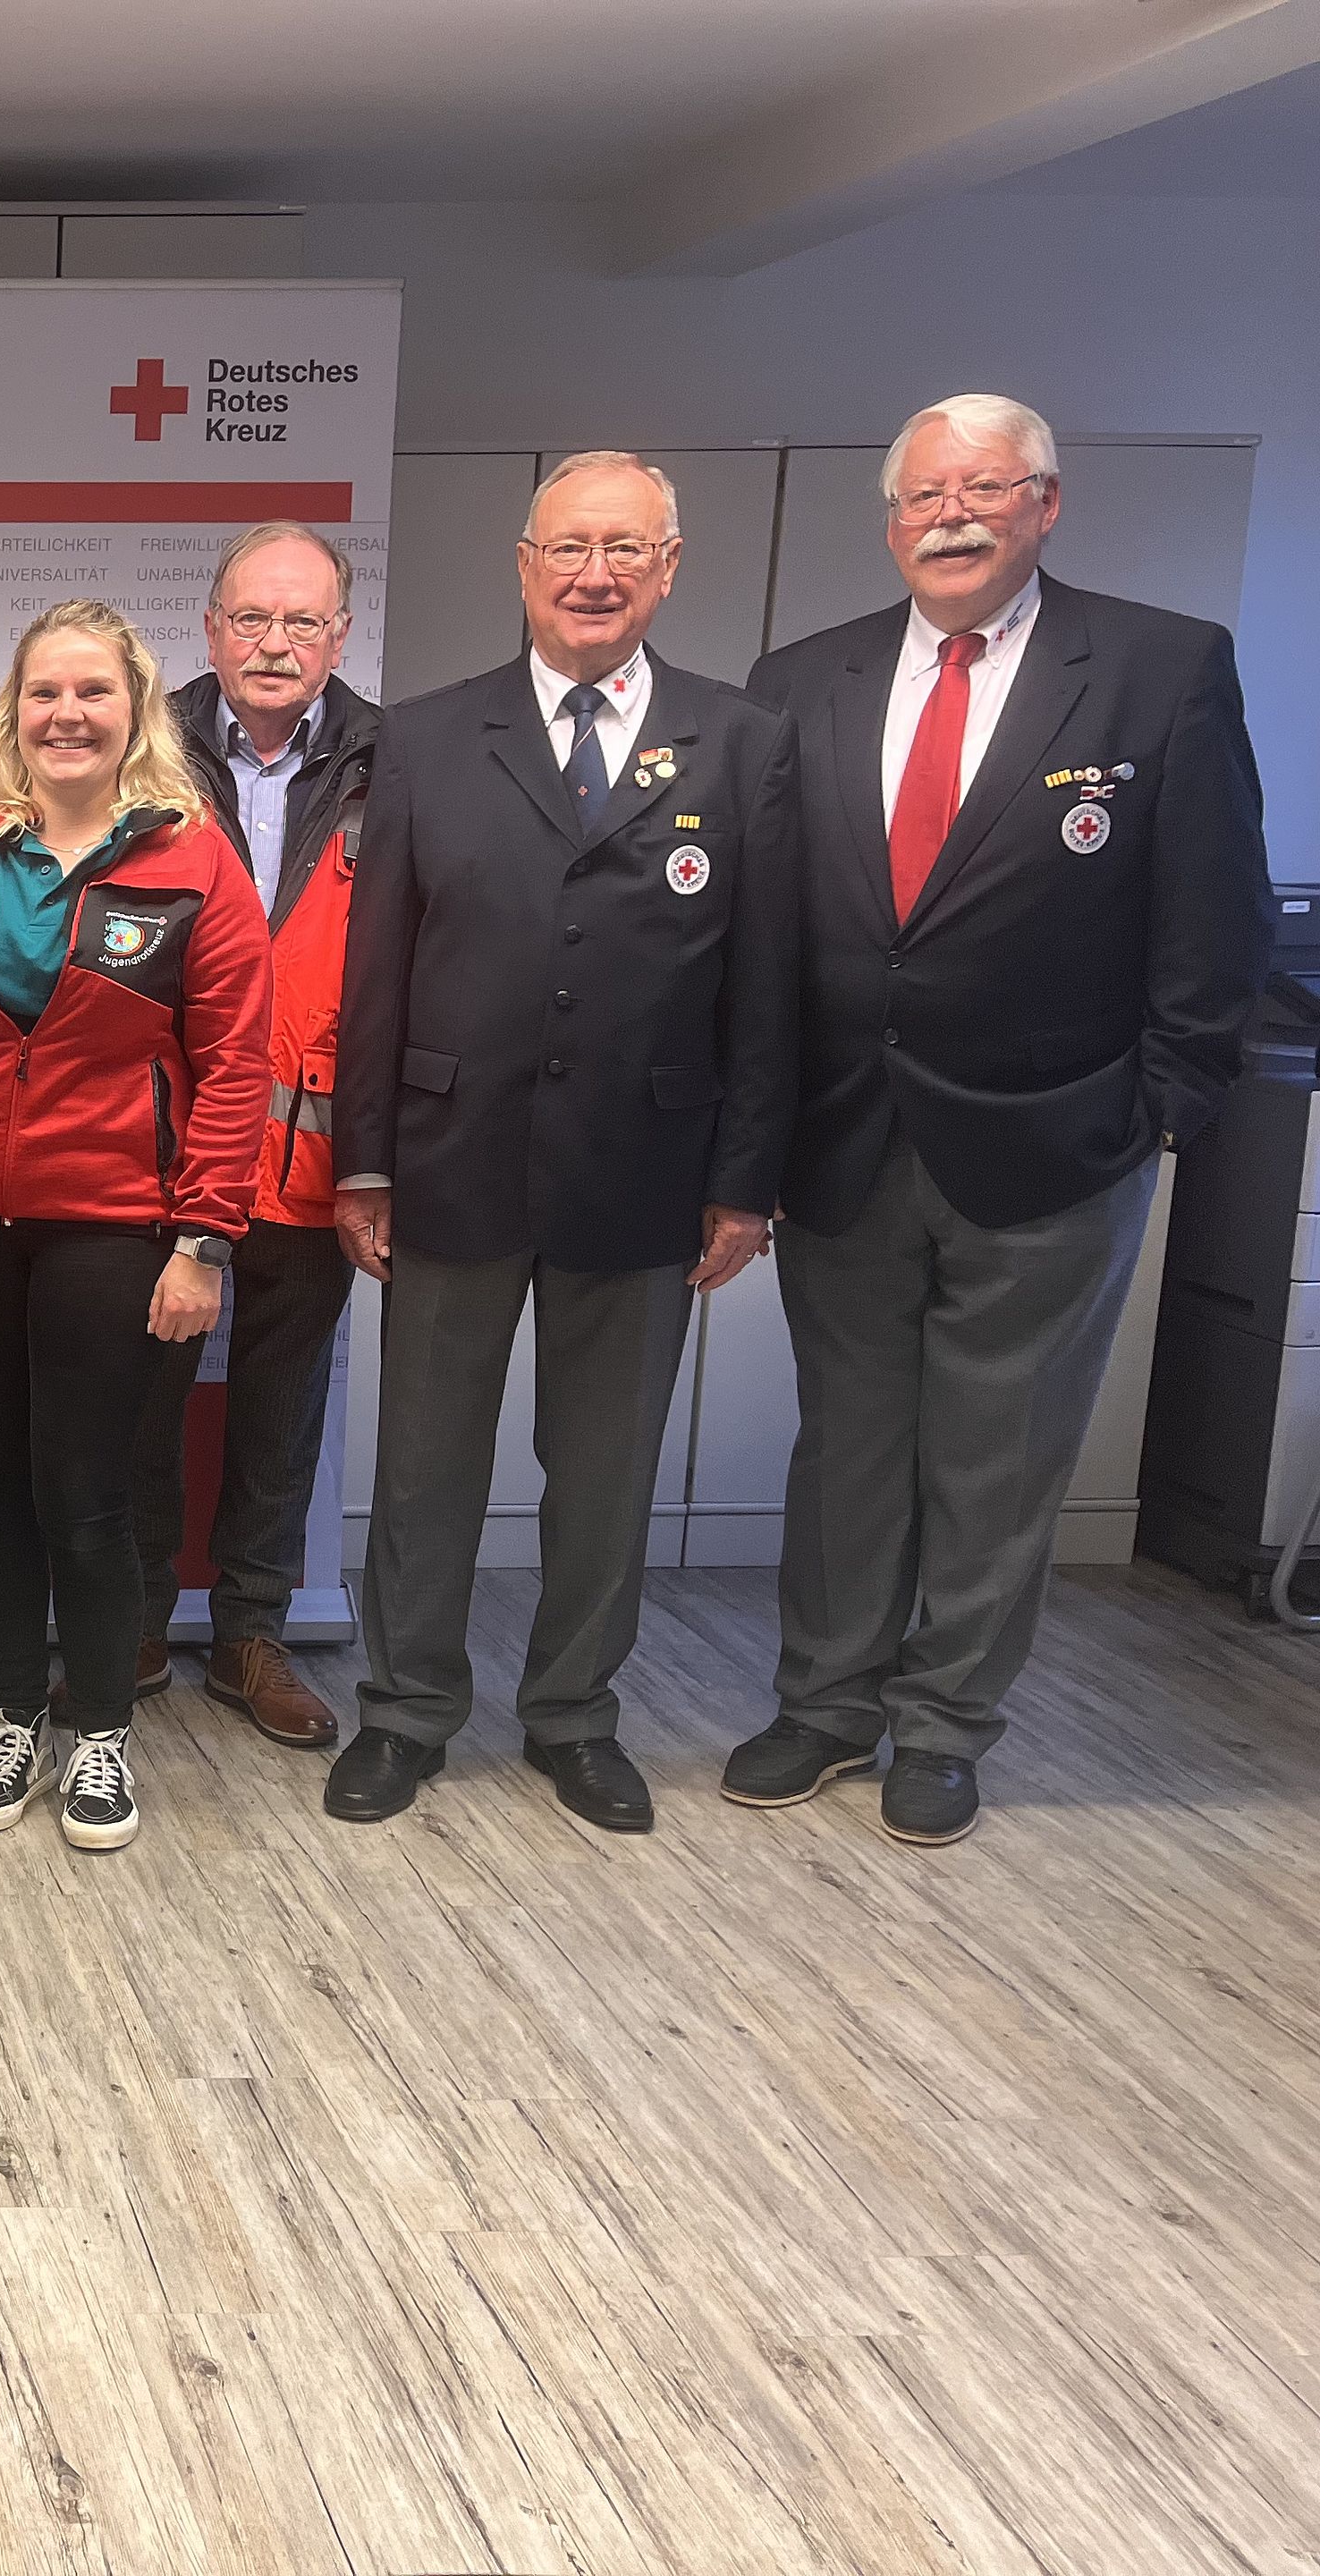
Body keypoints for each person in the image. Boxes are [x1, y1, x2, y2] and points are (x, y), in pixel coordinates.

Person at [723, 395, 1272, 1845]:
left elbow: (1213, 915)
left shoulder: (1159, 669)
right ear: (891, 521)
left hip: (1058, 1141)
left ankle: (944, 1724)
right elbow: (764, 927)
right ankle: (825, 1704)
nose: (951, 516)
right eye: (924, 495)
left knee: (1000, 1450)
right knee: (847, 1444)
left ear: (1046, 503)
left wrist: (1162, 1110)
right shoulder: (800, 678)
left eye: (984, 488)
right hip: (844, 1141)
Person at [328, 452, 800, 1836]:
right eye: (569, 549)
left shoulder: (740, 741)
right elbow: (378, 965)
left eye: (624, 549)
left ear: (668, 566)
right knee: (424, 1462)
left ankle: (575, 1716)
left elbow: (768, 982)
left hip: (646, 1166)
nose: (595, 575)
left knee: (606, 1468)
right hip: (449, 1155)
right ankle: (407, 1711)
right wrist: (364, 1161)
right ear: (525, 566)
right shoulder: (426, 736)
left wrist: (747, 1180)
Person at [0, 601, 268, 1853]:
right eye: (45, 693)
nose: (67, 715)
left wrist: (203, 1241)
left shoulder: (195, 864)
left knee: (85, 1489)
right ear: (12, 711)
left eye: (93, 692)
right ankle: (15, 1713)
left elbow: (235, 1067)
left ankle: (101, 1733)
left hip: (117, 1226)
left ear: (134, 711)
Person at [120, 521, 385, 1749]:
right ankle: (131, 1623)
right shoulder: (143, 741)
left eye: (303, 622)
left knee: (283, 1406)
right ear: (212, 628)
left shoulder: (394, 760)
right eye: (253, 619)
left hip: (315, 1150)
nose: (276, 643)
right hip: (159, 1149)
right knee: (141, 1397)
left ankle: (251, 1636)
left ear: (340, 634)